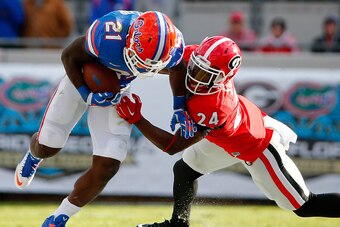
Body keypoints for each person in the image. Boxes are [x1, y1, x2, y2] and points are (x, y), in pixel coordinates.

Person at [116, 36, 340, 227]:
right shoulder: (200, 58)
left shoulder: (214, 106)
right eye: (196, 67)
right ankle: (179, 223)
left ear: (222, 78)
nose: (195, 76)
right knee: (185, 171)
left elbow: (172, 146)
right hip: (225, 136)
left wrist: (138, 118)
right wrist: (134, 66)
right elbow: (176, 66)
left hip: (256, 146)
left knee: (303, 205)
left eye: (204, 75)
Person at [14, 10, 195, 226]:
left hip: (118, 88)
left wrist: (179, 107)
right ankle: (34, 155)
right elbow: (69, 55)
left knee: (109, 162)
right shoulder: (110, 32)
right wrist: (86, 94)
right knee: (49, 143)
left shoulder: (171, 44)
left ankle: (60, 216)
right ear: (130, 41)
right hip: (81, 77)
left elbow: (178, 67)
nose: (144, 69)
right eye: (141, 61)